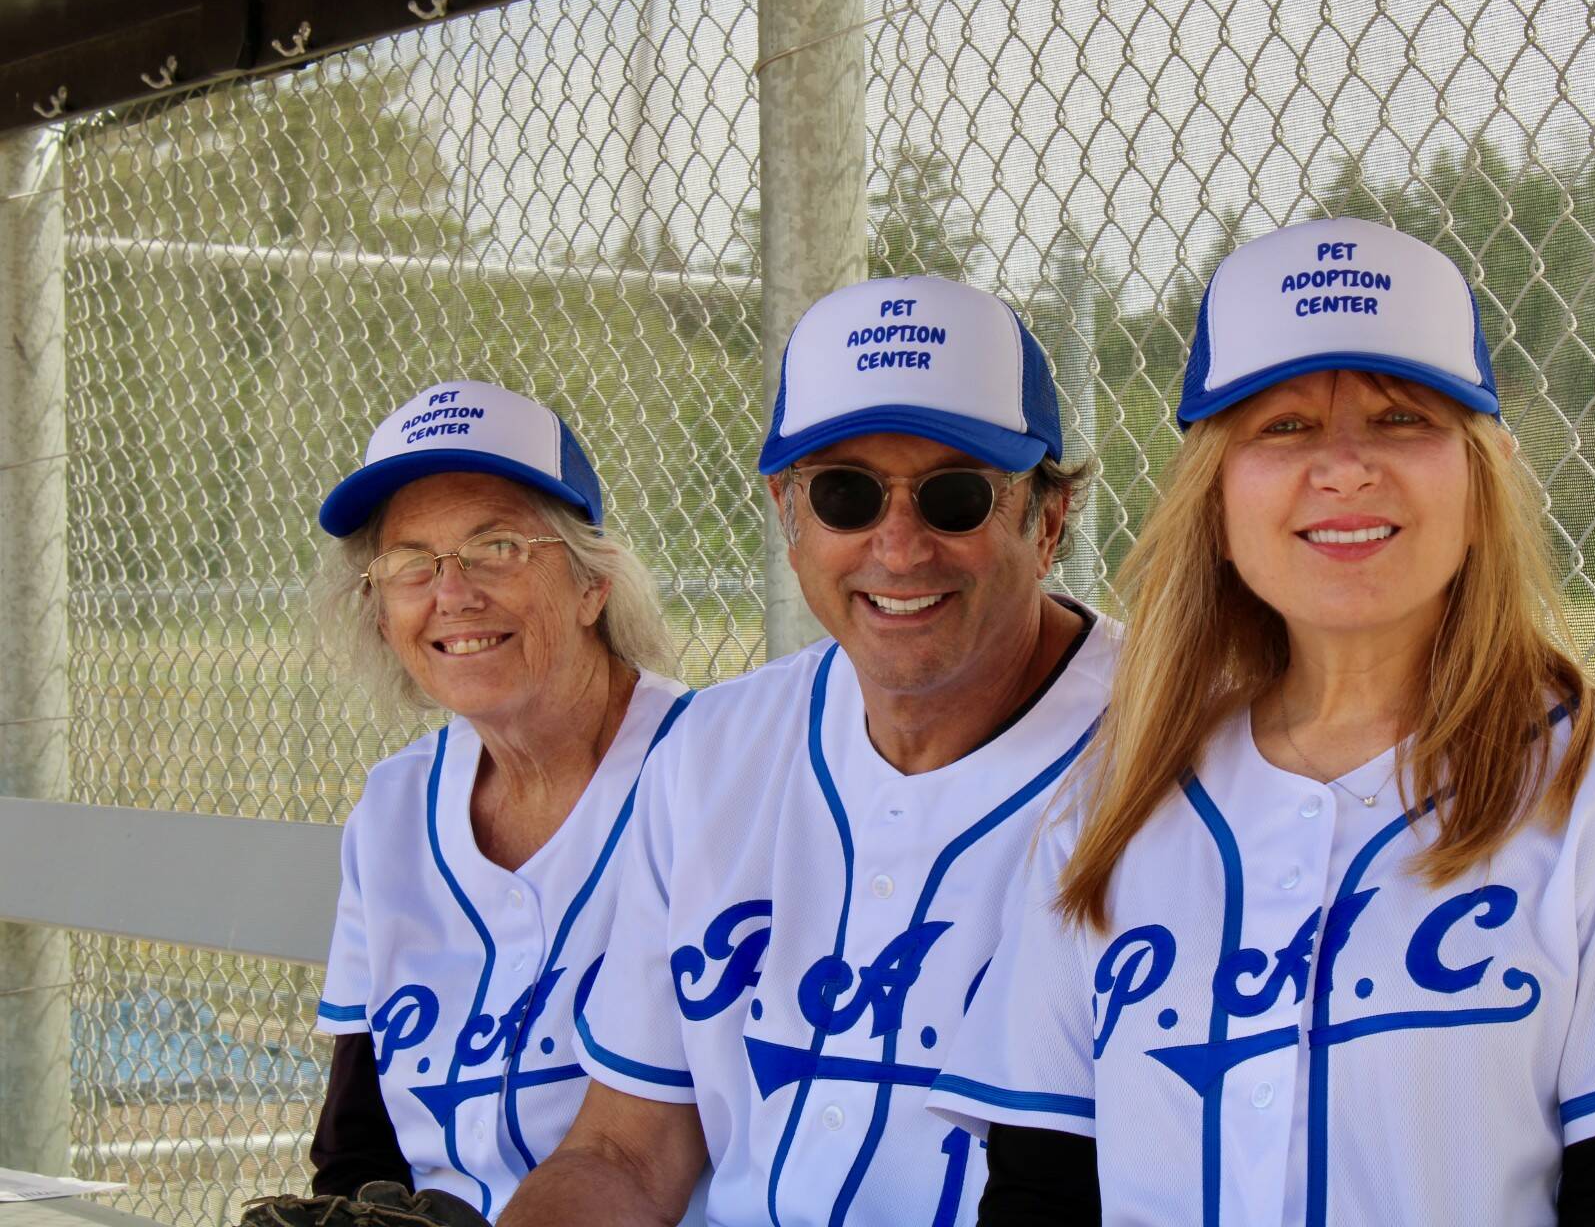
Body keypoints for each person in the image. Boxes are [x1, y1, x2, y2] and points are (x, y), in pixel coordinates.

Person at [929, 218, 1595, 1227]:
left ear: (1483, 476)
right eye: (1285, 426)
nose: (1347, 467)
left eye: (1403, 418)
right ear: (1217, 498)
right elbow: (1040, 1194)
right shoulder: (1112, 800)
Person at [496, 276, 1118, 1227]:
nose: (900, 548)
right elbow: (625, 1149)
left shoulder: (1175, 753)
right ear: (790, 515)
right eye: (846, 495)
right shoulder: (711, 751)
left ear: (1049, 523)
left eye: (956, 497)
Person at [300, 380, 691, 1221]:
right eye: (411, 563)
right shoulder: (394, 808)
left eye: (498, 548)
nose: (453, 594)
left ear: (593, 585)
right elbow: (356, 1143)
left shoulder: (712, 770)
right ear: (380, 611)